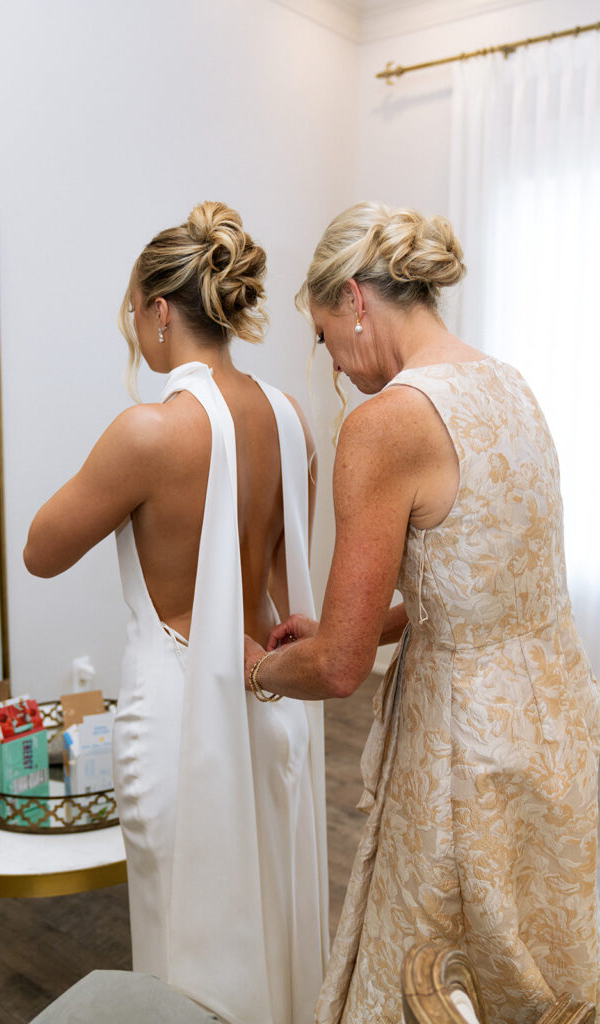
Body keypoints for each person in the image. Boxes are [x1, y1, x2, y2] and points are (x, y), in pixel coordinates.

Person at [244, 201, 600, 1024]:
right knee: (535, 971)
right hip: (557, 728)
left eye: (323, 336)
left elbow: (336, 670)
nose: (332, 365)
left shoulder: (385, 424)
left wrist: (248, 671)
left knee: (432, 981)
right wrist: (371, 623)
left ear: (353, 302)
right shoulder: (509, 385)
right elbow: (484, 585)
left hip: (462, 756)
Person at [24, 201, 329, 1024]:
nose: (134, 327)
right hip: (270, 694)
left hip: (178, 707)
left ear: (161, 310)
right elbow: (272, 576)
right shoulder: (289, 418)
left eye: (134, 309)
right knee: (266, 915)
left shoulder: (148, 433)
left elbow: (39, 551)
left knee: (183, 944)